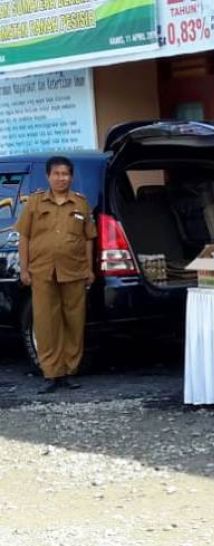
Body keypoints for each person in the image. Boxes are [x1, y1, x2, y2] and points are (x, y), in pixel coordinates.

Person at [16, 156, 96, 394]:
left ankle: (70, 371)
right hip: (42, 271)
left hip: (74, 270)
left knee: (74, 322)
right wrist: (24, 268)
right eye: (57, 174)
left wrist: (89, 269)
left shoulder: (81, 203)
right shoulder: (35, 202)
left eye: (65, 174)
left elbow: (88, 238)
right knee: (45, 323)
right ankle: (51, 373)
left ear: (71, 177)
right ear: (48, 176)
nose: (61, 178)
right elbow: (24, 236)